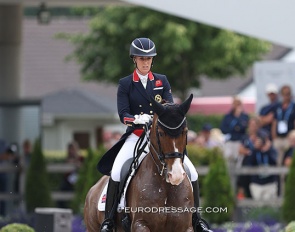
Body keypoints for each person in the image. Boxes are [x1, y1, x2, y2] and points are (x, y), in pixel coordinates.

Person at [98, 38, 211, 232]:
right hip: (136, 134)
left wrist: (160, 117)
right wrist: (136, 119)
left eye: (149, 58)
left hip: (161, 137)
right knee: (117, 170)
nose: (145, 62)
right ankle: (109, 220)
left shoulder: (161, 80)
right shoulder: (126, 84)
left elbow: (169, 106)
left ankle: (197, 220)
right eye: (142, 58)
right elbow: (123, 114)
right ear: (134, 59)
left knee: (192, 172)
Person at [247, 130, 278, 200]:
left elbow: (275, 162)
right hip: (257, 183)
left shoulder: (272, 150)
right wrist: (255, 149)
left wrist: (268, 150)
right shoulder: (254, 150)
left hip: (270, 183)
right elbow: (249, 163)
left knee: (269, 206)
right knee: (258, 207)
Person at [220, 96, 249, 164]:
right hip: (230, 141)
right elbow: (224, 129)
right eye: (235, 103)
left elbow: (243, 128)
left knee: (239, 160)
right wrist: (235, 127)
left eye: (238, 104)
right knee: (228, 160)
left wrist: (238, 117)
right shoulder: (228, 116)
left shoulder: (244, 116)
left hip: (240, 141)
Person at [271, 85, 295, 166]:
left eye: (288, 94)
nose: (286, 96)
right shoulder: (278, 106)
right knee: (277, 160)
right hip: (279, 137)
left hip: (289, 137)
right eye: (284, 94)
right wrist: (274, 136)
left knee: (288, 159)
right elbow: (274, 122)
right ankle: (278, 178)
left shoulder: (293, 107)